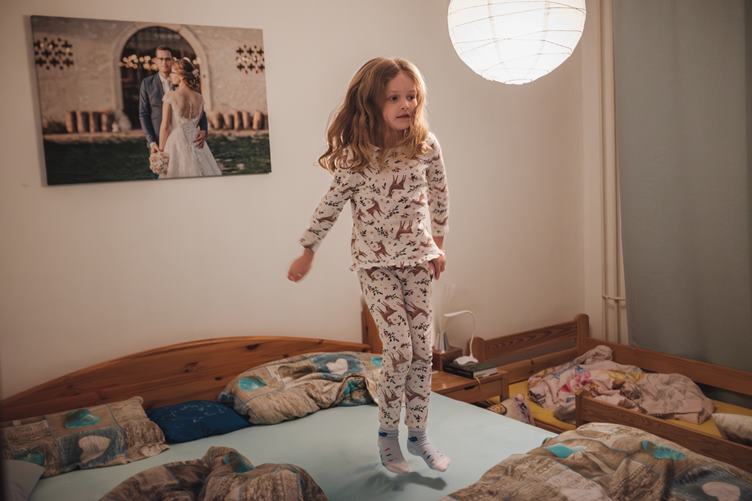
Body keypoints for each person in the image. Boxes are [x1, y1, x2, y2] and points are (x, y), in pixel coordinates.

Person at [287, 57, 450, 474]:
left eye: (411, 96)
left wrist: (439, 245)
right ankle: (387, 436)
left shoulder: (425, 146)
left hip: (418, 261)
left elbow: (439, 195)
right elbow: (330, 205)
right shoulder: (357, 157)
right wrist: (308, 249)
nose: (405, 105)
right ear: (372, 103)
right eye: (394, 98)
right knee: (400, 350)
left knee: (423, 352)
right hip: (376, 266)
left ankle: (419, 436)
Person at [138, 46, 207, 177]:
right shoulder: (147, 83)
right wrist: (152, 142)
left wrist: (204, 129)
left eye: (168, 59)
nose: (164, 62)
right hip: (159, 140)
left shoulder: (182, 83)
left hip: (188, 139)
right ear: (155, 61)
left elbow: (201, 111)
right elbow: (143, 114)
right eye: (161, 59)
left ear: (172, 60)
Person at [156, 58, 222, 178]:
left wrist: (160, 151)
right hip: (197, 140)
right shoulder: (199, 98)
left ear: (181, 76)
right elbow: (200, 119)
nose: (170, 76)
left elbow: (165, 126)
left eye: (173, 73)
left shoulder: (170, 96)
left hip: (176, 142)